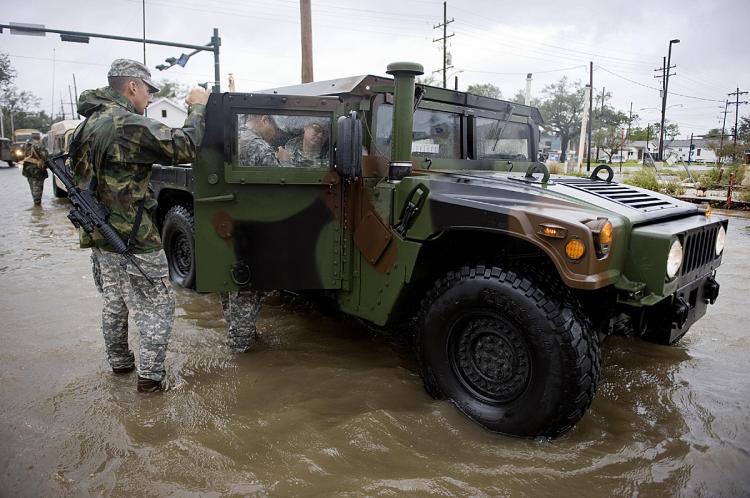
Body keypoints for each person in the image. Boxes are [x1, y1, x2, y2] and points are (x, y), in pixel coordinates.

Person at [71, 59, 209, 393]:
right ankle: (149, 380)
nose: (149, 98)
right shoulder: (124, 124)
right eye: (148, 90)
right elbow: (185, 146)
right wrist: (197, 108)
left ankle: (120, 364)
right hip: (134, 236)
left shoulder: (86, 125)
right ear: (133, 86)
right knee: (158, 304)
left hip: (100, 232)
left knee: (114, 300)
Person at [21, 137, 49, 205]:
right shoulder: (39, 146)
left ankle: (35, 209)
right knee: (37, 192)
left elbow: (21, 157)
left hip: (28, 171)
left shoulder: (26, 145)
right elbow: (46, 158)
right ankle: (38, 210)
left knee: (33, 190)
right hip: (37, 172)